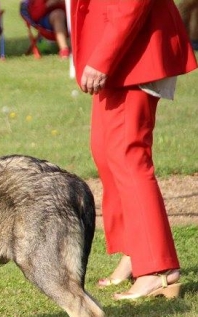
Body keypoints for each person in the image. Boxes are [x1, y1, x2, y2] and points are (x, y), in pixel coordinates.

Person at [70, 0, 197, 300]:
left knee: (128, 155)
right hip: (122, 48)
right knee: (104, 149)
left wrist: (103, 57)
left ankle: (157, 269)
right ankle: (136, 252)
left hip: (136, 50)